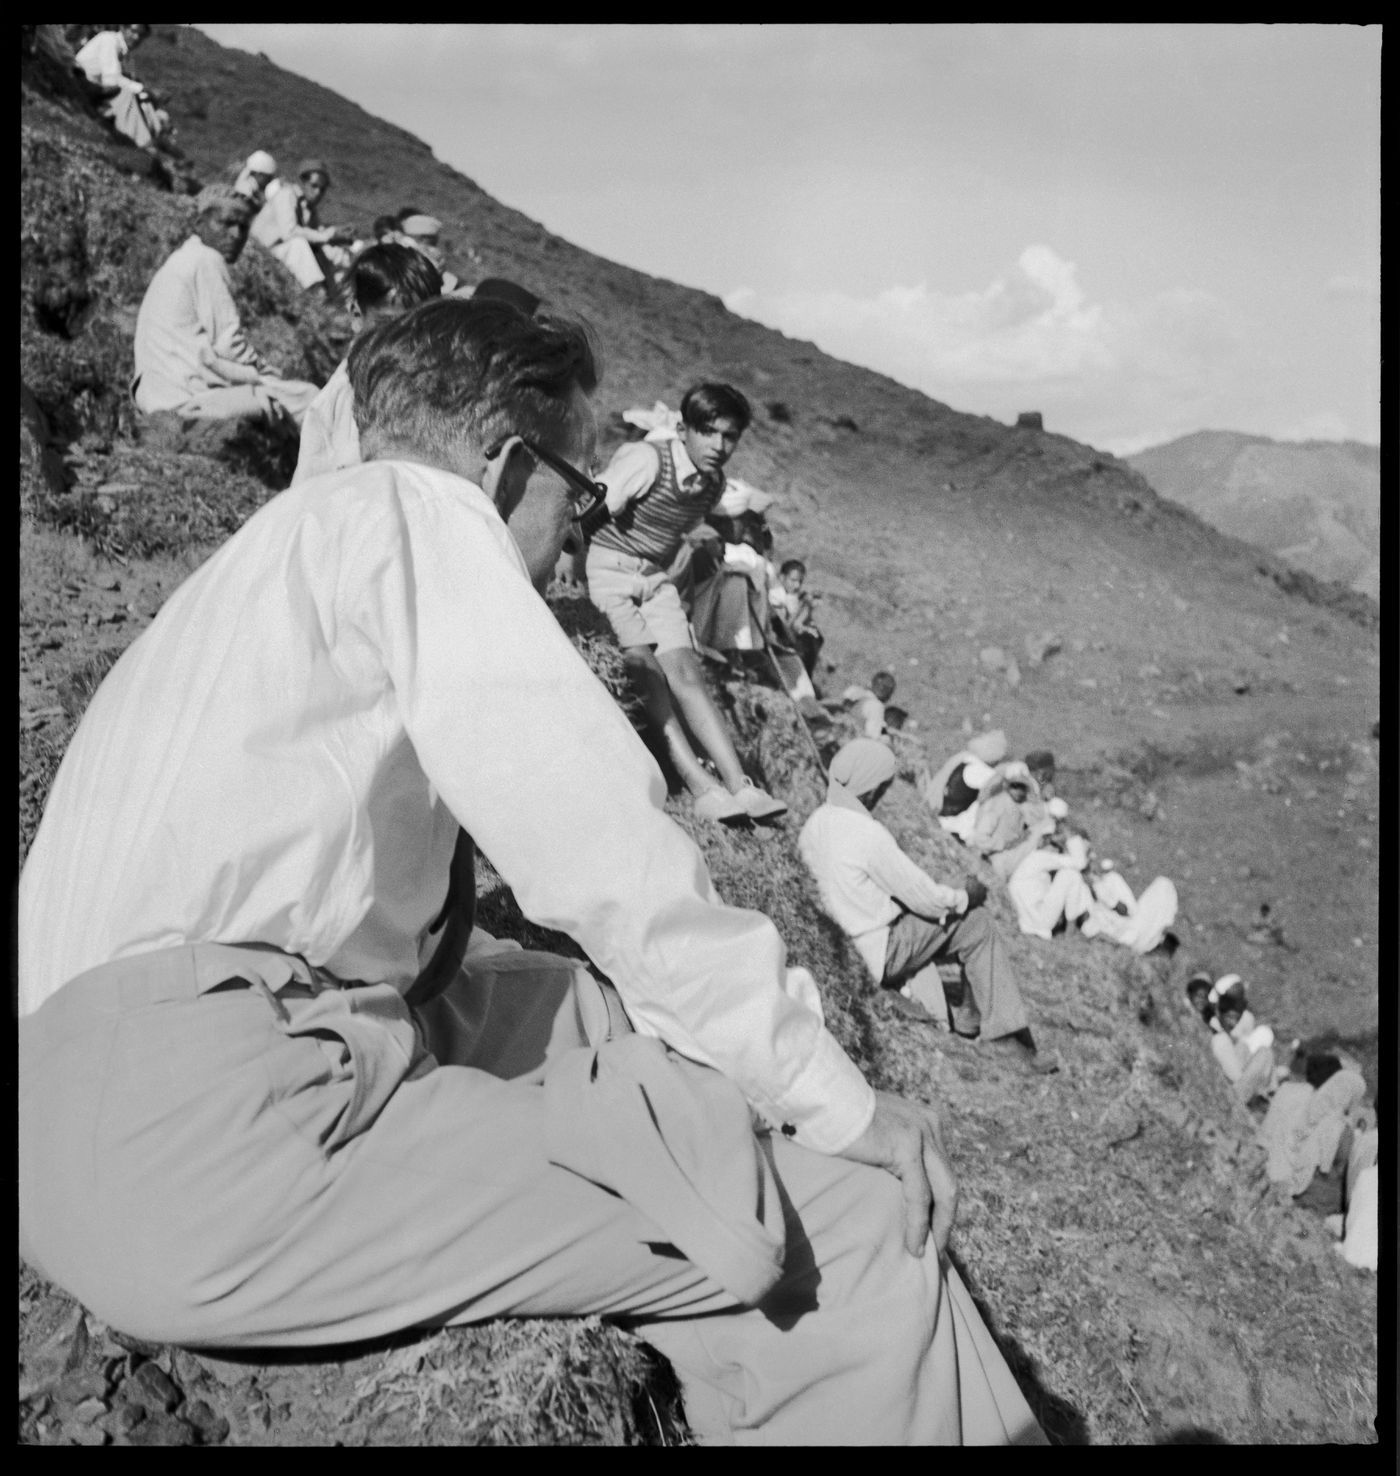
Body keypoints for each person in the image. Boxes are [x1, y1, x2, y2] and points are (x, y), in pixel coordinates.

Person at [18, 297, 1045, 1447]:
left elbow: (343, 931)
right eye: (583, 488)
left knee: (576, 1008)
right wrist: (837, 1105)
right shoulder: (420, 518)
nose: (581, 527)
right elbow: (604, 856)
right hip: (206, 1141)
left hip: (71, 1125)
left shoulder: (254, 571)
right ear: (506, 464)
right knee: (848, 1225)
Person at [586, 382, 787, 824]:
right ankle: (700, 785)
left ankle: (739, 785)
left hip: (654, 578)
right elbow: (591, 509)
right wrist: (568, 556)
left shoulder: (712, 484)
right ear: (684, 428)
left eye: (729, 436)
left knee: (685, 672)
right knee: (645, 669)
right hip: (608, 568)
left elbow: (695, 519)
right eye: (708, 432)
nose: (718, 445)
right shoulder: (646, 459)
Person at [798, 739, 1057, 1073]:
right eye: (883, 788)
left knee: (945, 911)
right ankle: (1005, 1037)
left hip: (842, 943)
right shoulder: (867, 833)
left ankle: (967, 1019)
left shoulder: (816, 823)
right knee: (975, 923)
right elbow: (927, 900)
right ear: (872, 788)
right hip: (876, 950)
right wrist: (966, 895)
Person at [131, 184, 319, 427]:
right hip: (183, 392)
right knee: (310, 399)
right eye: (226, 223)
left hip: (158, 388)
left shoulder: (184, 259)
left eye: (243, 227)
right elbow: (228, 344)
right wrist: (265, 372)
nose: (236, 234)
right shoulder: (207, 260)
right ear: (199, 224)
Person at [292, 242, 443, 484]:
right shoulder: (340, 399)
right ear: (356, 316)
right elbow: (309, 486)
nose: (404, 340)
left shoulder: (428, 388)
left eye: (420, 327)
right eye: (388, 325)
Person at [251, 158, 357, 294]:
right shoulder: (286, 195)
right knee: (299, 245)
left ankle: (334, 297)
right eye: (314, 186)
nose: (318, 192)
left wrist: (336, 239)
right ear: (302, 182)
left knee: (326, 257)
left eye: (322, 189)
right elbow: (289, 232)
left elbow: (319, 238)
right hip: (263, 253)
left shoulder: (309, 209)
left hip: (281, 255)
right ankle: (318, 294)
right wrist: (326, 236)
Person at [74, 24, 169, 153]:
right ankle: (141, 143)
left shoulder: (125, 53)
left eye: (141, 36)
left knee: (140, 95)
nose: (136, 37)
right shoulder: (109, 40)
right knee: (127, 94)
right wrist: (143, 89)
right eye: (134, 31)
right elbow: (112, 79)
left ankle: (153, 136)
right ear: (123, 28)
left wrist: (142, 90)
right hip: (83, 82)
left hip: (95, 85)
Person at [1006, 817, 1095, 941]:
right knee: (1070, 874)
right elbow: (1080, 863)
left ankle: (1077, 927)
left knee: (1069, 875)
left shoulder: (1032, 859)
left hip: (1028, 919)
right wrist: (1071, 838)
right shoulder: (1041, 857)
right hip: (1037, 921)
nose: (1056, 850)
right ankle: (1071, 932)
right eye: (1054, 844)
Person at [969, 762, 1054, 880]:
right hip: (997, 858)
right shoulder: (997, 805)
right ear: (1007, 786)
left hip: (1009, 854)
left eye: (1022, 787)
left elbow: (1036, 817)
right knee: (1044, 830)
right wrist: (1006, 844)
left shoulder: (1018, 803)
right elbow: (979, 838)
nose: (1019, 791)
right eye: (1015, 786)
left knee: (1046, 827)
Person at [769, 558, 824, 678]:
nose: (797, 585)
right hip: (778, 638)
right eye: (793, 580)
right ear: (782, 577)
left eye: (800, 581)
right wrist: (801, 605)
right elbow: (784, 626)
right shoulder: (776, 596)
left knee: (815, 637)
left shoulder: (791, 595)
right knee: (808, 643)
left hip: (788, 635)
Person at [397, 214, 462, 293]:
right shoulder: (420, 251)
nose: (437, 240)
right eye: (433, 237)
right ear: (423, 237)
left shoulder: (400, 247)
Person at [836, 670, 897, 740]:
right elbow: (871, 737)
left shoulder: (854, 691)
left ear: (872, 683)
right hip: (849, 740)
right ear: (888, 695)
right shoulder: (876, 706)